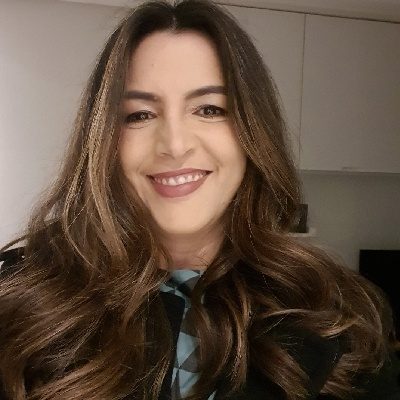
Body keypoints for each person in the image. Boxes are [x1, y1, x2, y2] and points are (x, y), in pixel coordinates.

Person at [0, 0, 399, 399]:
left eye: (209, 109)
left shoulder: (338, 314)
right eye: (139, 114)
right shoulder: (22, 300)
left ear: (253, 130)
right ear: (103, 139)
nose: (175, 145)